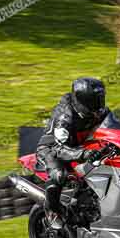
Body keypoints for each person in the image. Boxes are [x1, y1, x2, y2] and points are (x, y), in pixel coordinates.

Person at [36, 77, 109, 229]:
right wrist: (85, 154)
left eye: (100, 99)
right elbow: (59, 149)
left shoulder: (99, 111)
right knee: (59, 174)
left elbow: (116, 126)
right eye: (94, 100)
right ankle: (52, 211)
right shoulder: (65, 116)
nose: (99, 104)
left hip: (80, 146)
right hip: (52, 149)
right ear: (83, 100)